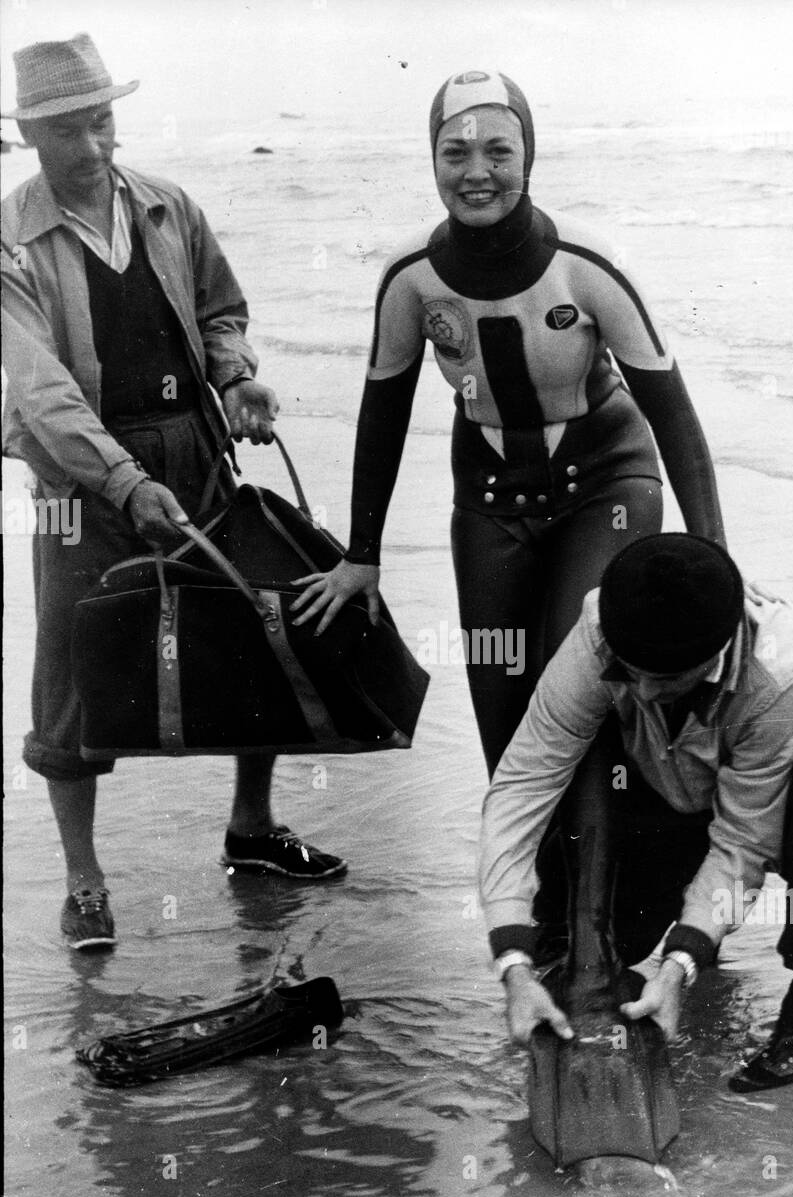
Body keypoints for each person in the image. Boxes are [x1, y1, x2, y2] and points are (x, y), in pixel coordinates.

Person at [2, 34, 347, 951]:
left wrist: (235, 381)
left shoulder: (167, 207)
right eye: (70, 130)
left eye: (103, 121)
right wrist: (122, 478)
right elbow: (41, 391)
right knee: (70, 668)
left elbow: (221, 307)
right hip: (80, 475)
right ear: (31, 134)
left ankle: (252, 828)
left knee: (250, 621)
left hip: (194, 449)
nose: (95, 146)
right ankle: (82, 882)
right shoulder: (10, 239)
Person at [291, 70, 726, 783]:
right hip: (490, 502)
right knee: (503, 723)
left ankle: (598, 881)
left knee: (573, 685)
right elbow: (383, 411)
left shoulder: (586, 264)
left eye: (498, 151)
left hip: (606, 486)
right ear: (430, 159)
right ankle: (530, 887)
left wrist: (714, 558)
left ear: (529, 156)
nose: (476, 173)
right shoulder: (412, 276)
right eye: (454, 154)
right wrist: (361, 553)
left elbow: (672, 413)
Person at [478, 534, 793, 1092]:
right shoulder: (603, 626)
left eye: (667, 678)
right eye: (632, 673)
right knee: (612, 945)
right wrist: (512, 958)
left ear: (716, 654)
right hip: (678, 770)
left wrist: (679, 964)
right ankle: (615, 942)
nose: (646, 692)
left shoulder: (788, 675)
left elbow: (744, 840)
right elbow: (525, 781)